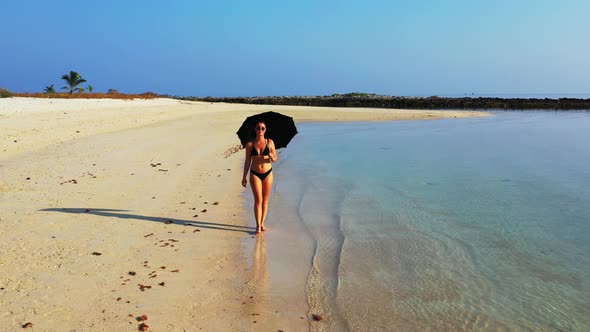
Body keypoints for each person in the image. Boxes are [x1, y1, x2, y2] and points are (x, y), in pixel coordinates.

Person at [242, 121, 277, 234]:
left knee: (265, 201)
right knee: (258, 200)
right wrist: (244, 177)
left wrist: (272, 156)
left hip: (268, 173)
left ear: (265, 130)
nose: (260, 130)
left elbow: (275, 158)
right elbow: (247, 161)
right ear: (255, 129)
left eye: (262, 128)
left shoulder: (270, 142)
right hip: (254, 173)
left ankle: (262, 224)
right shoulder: (250, 144)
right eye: (258, 128)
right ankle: (257, 226)